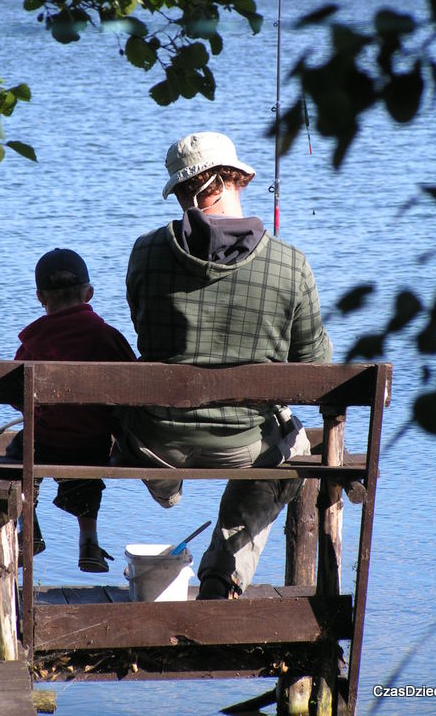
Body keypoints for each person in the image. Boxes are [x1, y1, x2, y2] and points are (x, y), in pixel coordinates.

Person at [116, 131, 332, 599]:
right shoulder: (289, 263)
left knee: (145, 416)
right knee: (293, 447)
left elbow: (144, 331)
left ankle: (166, 485)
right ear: (232, 180)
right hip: (243, 445)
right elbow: (316, 368)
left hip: (158, 441)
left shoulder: (145, 252)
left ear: (183, 191)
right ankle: (223, 570)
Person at [7, 247, 136, 573]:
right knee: (88, 466)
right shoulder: (108, 337)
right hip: (92, 446)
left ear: (40, 297)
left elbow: (15, 396)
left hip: (43, 443)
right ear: (89, 293)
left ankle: (29, 527)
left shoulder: (32, 342)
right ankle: (88, 541)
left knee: (17, 453)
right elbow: (133, 387)